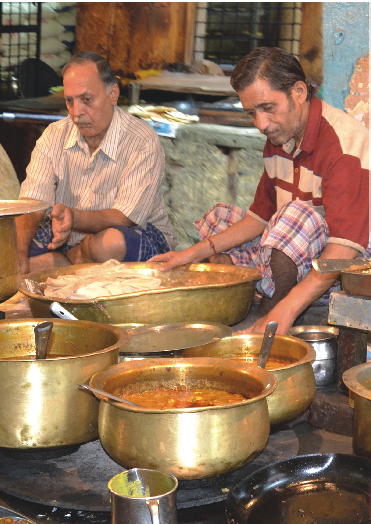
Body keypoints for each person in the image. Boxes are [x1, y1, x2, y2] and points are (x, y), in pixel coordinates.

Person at [151, 47, 370, 335]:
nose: (261, 124)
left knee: (292, 218)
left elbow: (344, 249)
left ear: (300, 92)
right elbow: (260, 216)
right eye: (252, 113)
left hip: (351, 264)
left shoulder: (343, 144)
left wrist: (286, 310)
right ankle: (247, 303)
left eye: (268, 108)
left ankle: (273, 314)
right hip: (303, 251)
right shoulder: (280, 136)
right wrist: (190, 254)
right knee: (221, 217)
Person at [17, 51, 177, 276]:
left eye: (87, 100)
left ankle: (61, 264)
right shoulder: (54, 135)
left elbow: (125, 217)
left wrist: (74, 218)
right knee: (7, 242)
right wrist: (20, 255)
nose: (77, 113)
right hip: (67, 239)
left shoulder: (141, 140)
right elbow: (31, 202)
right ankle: (68, 264)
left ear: (113, 94)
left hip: (133, 234)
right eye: (70, 101)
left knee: (110, 244)